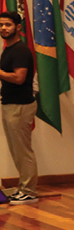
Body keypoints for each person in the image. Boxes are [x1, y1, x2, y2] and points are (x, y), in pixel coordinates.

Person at [0, 12, 38, 204]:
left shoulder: (21, 51)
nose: (4, 28)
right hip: (9, 104)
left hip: (20, 106)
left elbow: (19, 78)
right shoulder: (8, 49)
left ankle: (29, 191)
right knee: (16, 150)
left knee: (23, 150)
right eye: (1, 25)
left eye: (8, 25)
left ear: (18, 27)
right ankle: (23, 187)